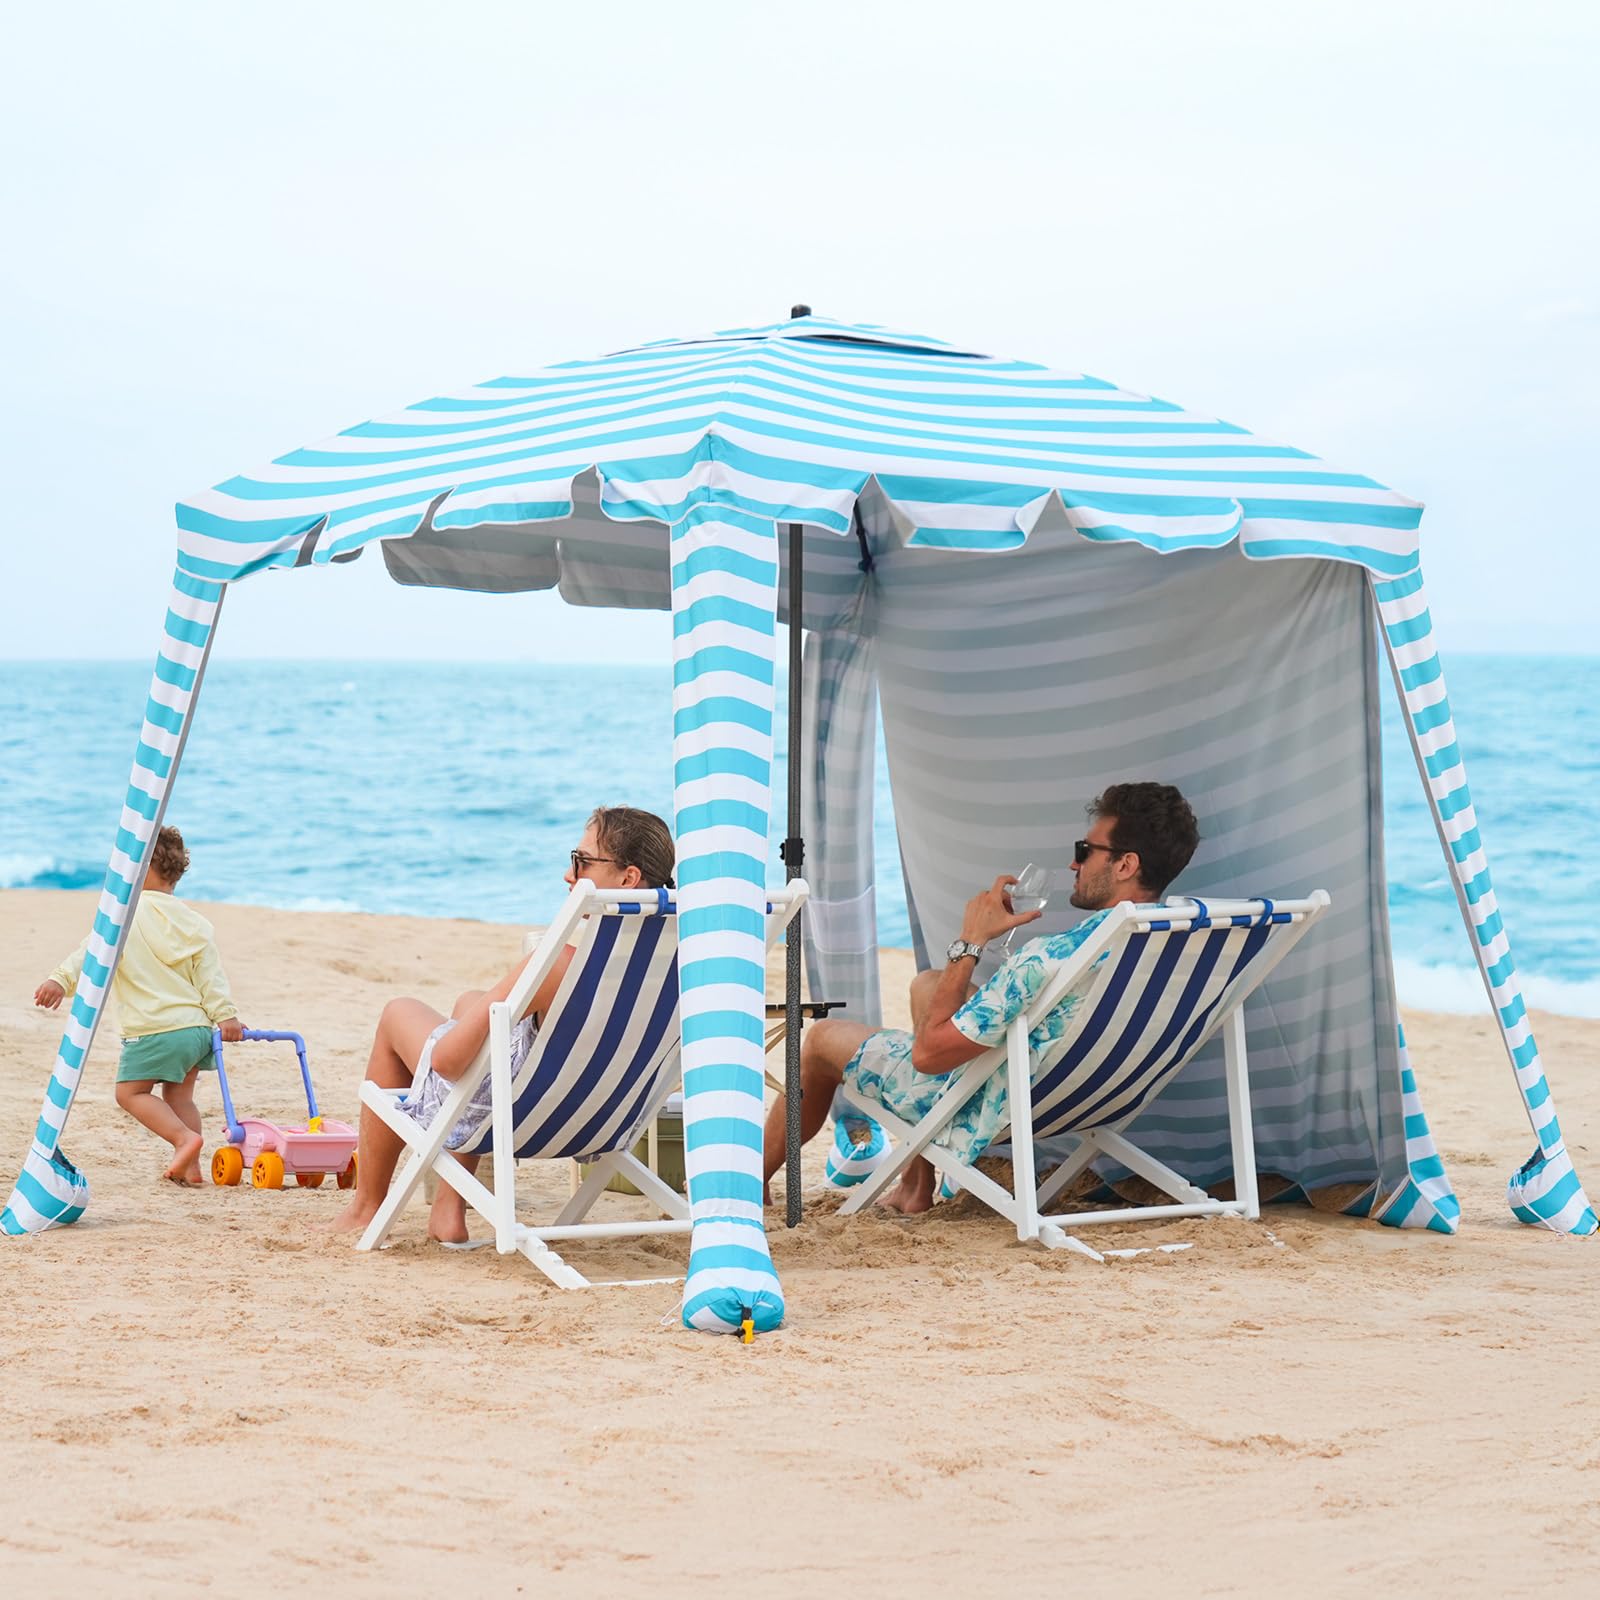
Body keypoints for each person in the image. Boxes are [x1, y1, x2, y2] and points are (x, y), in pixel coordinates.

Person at [763, 782, 1200, 1215]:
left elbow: (930, 1056)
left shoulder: (1047, 959)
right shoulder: (1178, 940)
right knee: (929, 985)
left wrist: (970, 940)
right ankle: (915, 1183)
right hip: (1089, 1091)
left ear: (1125, 864)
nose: (1073, 862)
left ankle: (750, 1184)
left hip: (996, 1098)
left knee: (821, 1040)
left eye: (1085, 850)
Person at [329, 806, 676, 1244]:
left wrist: (459, 1042)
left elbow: (450, 1064)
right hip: (600, 1122)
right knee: (470, 1003)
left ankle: (366, 1207)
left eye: (581, 861)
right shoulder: (679, 969)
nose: (568, 876)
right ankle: (448, 1210)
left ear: (628, 878)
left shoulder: (560, 966)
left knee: (398, 1011)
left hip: (510, 1117)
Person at [34, 826, 245, 1186]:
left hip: (153, 1030)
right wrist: (225, 1015)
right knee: (181, 1098)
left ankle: (184, 1140)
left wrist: (60, 979)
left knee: (130, 1093)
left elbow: (91, 953)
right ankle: (192, 1168)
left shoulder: (125, 916)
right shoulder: (195, 923)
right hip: (195, 1031)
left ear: (141, 870)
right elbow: (211, 978)